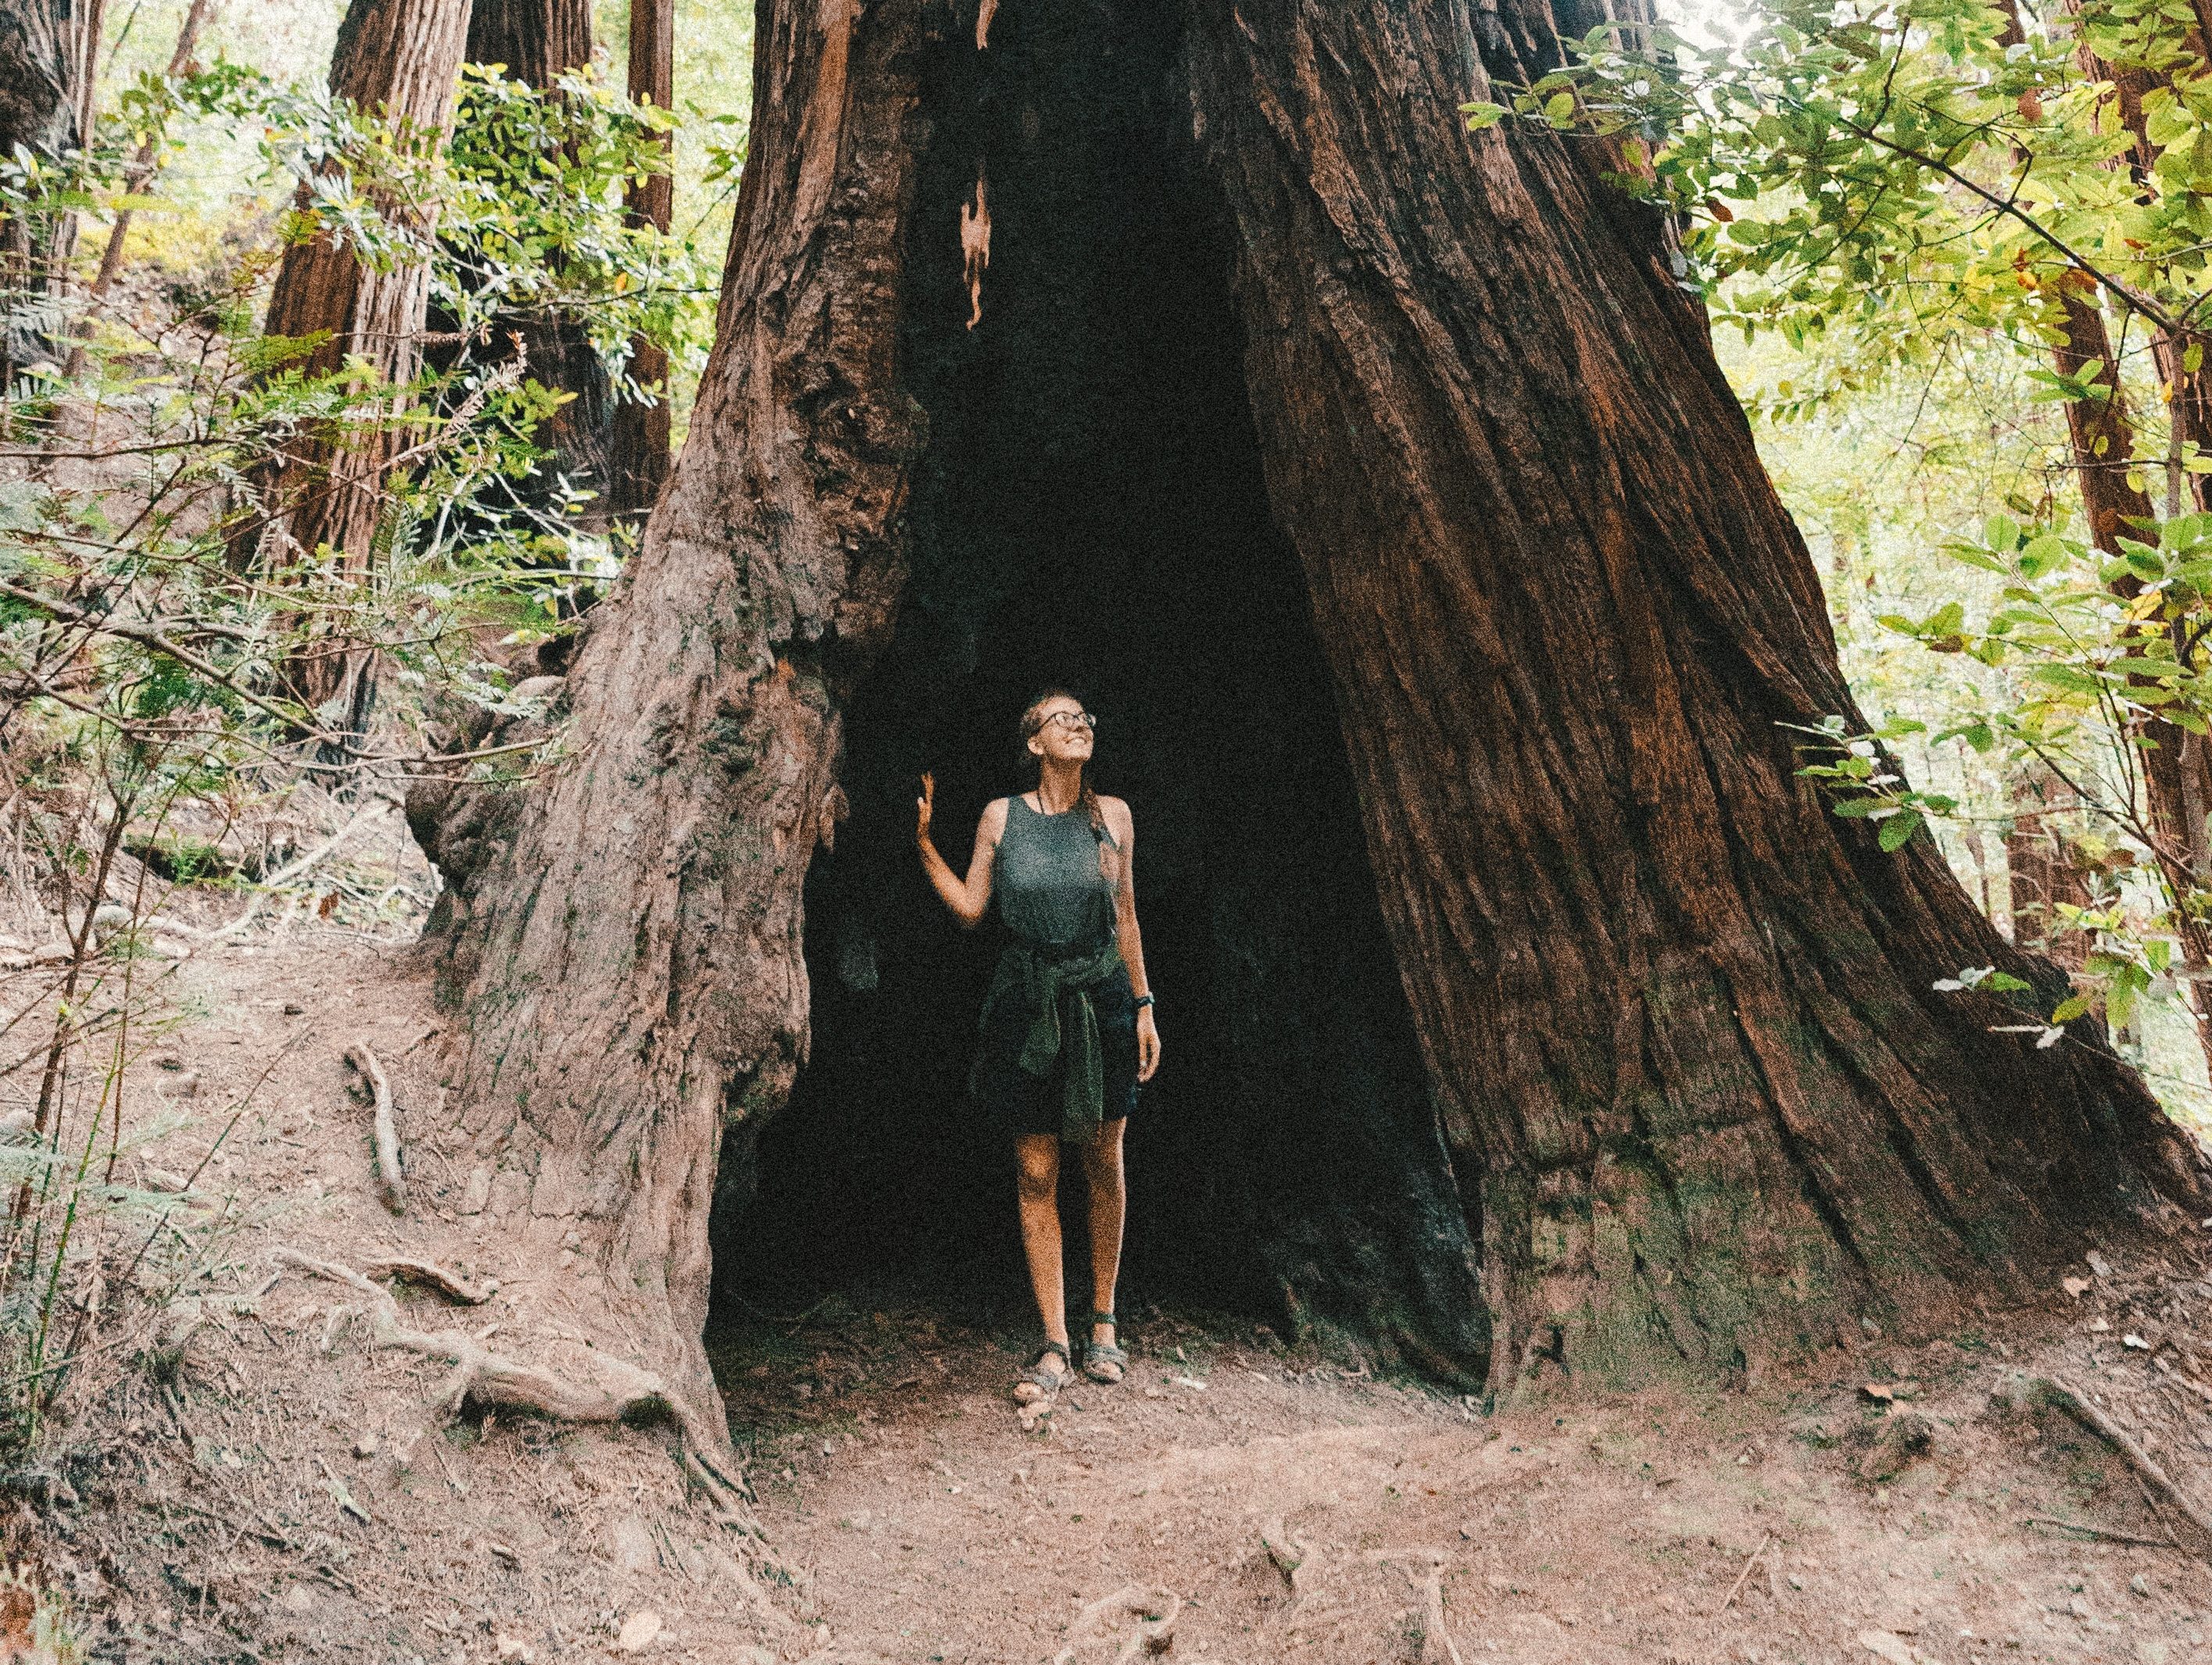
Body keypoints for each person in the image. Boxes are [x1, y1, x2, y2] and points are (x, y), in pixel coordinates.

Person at [915, 690, 1161, 1402]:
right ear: (1034, 743)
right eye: (1064, 719)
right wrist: (925, 845)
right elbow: (969, 908)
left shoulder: (1113, 815)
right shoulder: (1002, 816)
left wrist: (1144, 1005)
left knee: (1104, 1159)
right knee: (1034, 1170)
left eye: (1087, 717)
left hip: (1103, 997)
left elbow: (1127, 918)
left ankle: (1104, 1323)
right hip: (1027, 1005)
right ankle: (1055, 1338)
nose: (1081, 725)